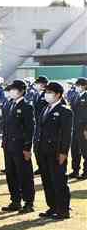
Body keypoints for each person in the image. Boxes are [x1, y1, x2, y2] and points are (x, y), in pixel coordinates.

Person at [36, 82, 73, 220]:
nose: (47, 95)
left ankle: (63, 210)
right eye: (46, 92)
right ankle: (52, 207)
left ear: (58, 94)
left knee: (58, 181)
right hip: (43, 150)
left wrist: (63, 152)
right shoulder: (46, 108)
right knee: (47, 180)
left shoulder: (65, 111)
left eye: (50, 92)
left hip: (56, 152)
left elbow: (66, 134)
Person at [2, 79, 35, 214]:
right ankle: (15, 200)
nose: (11, 92)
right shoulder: (9, 105)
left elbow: (30, 128)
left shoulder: (27, 107)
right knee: (11, 174)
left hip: (20, 146)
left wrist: (27, 147)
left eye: (14, 89)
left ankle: (28, 202)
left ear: (21, 91)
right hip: (9, 145)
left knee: (24, 174)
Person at [69, 77, 87, 179]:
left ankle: (86, 171)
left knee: (85, 150)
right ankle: (75, 170)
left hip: (83, 128)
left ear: (84, 85)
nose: (77, 87)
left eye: (79, 85)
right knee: (74, 150)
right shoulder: (76, 95)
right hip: (74, 127)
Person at [32, 76, 49, 176]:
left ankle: (45, 167)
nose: (36, 85)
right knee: (36, 148)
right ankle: (40, 166)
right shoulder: (36, 95)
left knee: (45, 148)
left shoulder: (49, 94)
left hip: (46, 125)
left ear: (43, 84)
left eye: (38, 83)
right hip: (37, 125)